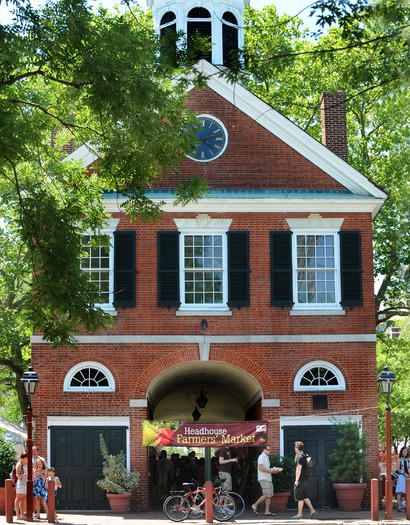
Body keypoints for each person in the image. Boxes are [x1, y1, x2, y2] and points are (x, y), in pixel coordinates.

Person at [251, 445, 282, 516]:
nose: (269, 451)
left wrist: (273, 470)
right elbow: (260, 468)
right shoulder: (261, 457)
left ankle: (267, 511)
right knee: (266, 494)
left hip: (268, 478)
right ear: (264, 450)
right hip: (263, 478)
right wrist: (270, 471)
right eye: (268, 450)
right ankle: (254, 505)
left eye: (270, 450)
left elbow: (266, 468)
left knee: (269, 495)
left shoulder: (266, 457)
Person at [292, 441, 317, 519]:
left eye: (295, 447)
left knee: (299, 497)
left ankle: (299, 514)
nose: (294, 448)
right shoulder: (305, 455)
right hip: (305, 479)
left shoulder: (299, 457)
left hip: (300, 479)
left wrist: (296, 480)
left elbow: (299, 468)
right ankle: (312, 510)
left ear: (297, 448)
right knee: (304, 496)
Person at [14, 452, 28, 520]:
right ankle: (17, 515)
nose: (27, 459)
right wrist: (25, 475)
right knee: (18, 499)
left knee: (23, 499)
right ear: (24, 458)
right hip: (20, 483)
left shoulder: (24, 464)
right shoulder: (19, 464)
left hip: (25, 483)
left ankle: (22, 514)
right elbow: (17, 475)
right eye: (27, 458)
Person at [395, 446, 410, 511]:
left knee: (408, 491)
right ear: (401, 452)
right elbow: (397, 469)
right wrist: (404, 473)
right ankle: (399, 507)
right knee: (400, 491)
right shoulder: (399, 459)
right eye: (404, 451)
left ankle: (407, 505)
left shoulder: (408, 459)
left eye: (406, 451)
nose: (405, 452)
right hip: (401, 476)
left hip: (408, 477)